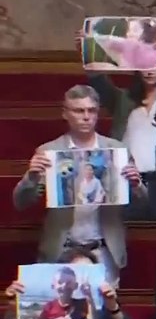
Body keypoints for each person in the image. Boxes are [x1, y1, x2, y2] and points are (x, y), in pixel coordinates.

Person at [14, 85, 146, 285]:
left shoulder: (117, 150)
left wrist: (136, 185)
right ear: (65, 114)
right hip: (62, 249)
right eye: (79, 110)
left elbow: (144, 204)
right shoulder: (49, 151)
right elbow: (20, 203)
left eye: (91, 111)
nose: (86, 116)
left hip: (104, 250)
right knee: (62, 311)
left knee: (104, 313)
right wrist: (31, 177)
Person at [82, 31, 156, 221]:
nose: (150, 69)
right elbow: (98, 81)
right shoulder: (124, 100)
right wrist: (88, 48)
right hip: (127, 181)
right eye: (145, 64)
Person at [1, 249, 134, 319]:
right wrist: (13, 309)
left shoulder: (104, 307)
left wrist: (114, 309)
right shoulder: (47, 306)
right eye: (76, 273)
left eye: (88, 274)